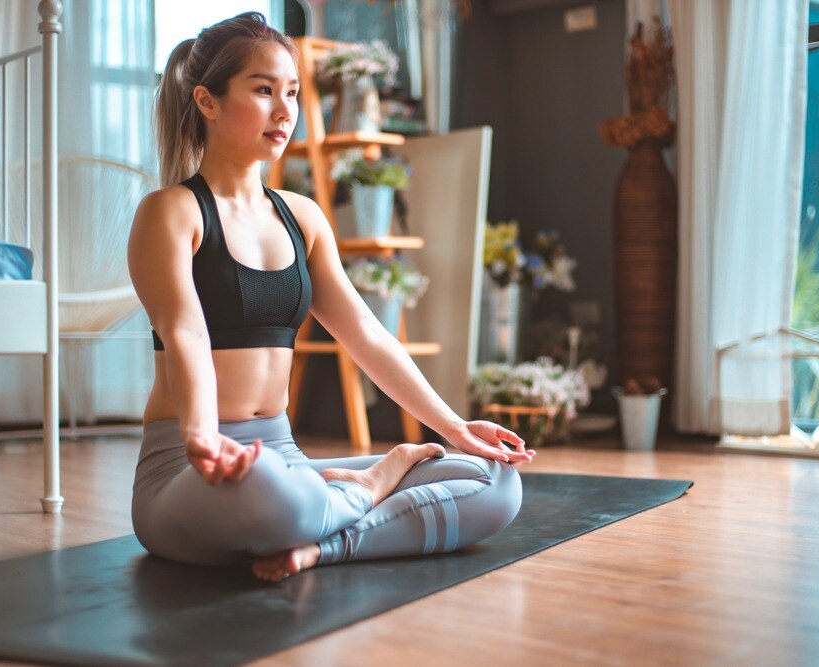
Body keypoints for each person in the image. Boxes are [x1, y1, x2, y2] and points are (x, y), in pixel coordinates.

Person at [128, 12, 535, 582]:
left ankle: (321, 548)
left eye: (292, 92)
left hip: (285, 460)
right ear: (207, 100)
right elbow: (186, 332)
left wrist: (454, 427)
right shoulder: (171, 212)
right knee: (272, 491)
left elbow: (366, 334)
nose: (284, 110)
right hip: (188, 473)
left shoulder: (304, 218)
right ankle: (368, 487)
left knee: (495, 483)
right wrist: (201, 436)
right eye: (263, 90)